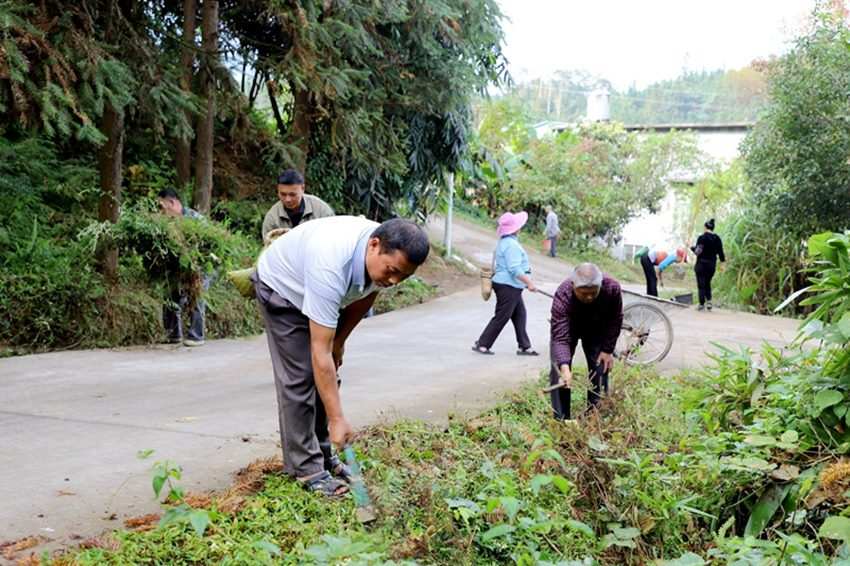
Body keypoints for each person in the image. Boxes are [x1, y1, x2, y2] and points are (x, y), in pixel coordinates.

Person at [253, 216, 429, 497]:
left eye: (403, 277)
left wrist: (340, 342)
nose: (394, 281)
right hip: (283, 289)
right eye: (392, 271)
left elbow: (365, 295)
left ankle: (324, 453)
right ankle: (306, 468)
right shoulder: (331, 264)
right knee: (301, 378)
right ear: (374, 245)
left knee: (328, 372)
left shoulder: (380, 260)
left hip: (317, 289)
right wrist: (337, 419)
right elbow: (318, 353)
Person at [549, 263, 623, 420]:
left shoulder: (612, 289)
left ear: (600, 285)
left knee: (600, 368)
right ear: (573, 286)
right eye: (583, 293)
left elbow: (615, 319)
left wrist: (608, 350)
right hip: (569, 327)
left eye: (593, 293)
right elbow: (560, 337)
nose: (589, 297)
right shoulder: (563, 293)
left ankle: (594, 416)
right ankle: (562, 420)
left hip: (597, 327)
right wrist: (564, 365)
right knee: (559, 372)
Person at [472, 211, 539, 356]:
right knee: (502, 316)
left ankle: (524, 346)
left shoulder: (505, 242)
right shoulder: (511, 245)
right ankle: (483, 344)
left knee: (520, 314)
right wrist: (529, 282)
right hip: (508, 286)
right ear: (516, 229)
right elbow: (514, 269)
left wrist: (525, 283)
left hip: (511, 285)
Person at [157, 188, 209, 347]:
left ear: (172, 203)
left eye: (162, 206)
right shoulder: (167, 222)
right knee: (170, 292)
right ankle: (173, 334)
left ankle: (196, 336)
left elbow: (208, 247)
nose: (161, 211)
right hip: (180, 265)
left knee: (196, 292)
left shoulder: (195, 219)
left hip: (204, 264)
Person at [261, 169, 335, 243]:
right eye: (283, 194)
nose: (287, 199)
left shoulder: (321, 210)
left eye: (292, 194)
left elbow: (333, 239)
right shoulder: (272, 217)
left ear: (302, 189)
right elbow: (269, 248)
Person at [691, 218, 725, 311]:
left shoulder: (702, 238)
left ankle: (701, 304)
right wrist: (722, 264)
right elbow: (721, 252)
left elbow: (698, 252)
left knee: (701, 284)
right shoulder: (717, 238)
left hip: (701, 265)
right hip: (711, 266)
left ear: (705, 227)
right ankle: (709, 301)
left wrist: (692, 248)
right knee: (707, 283)